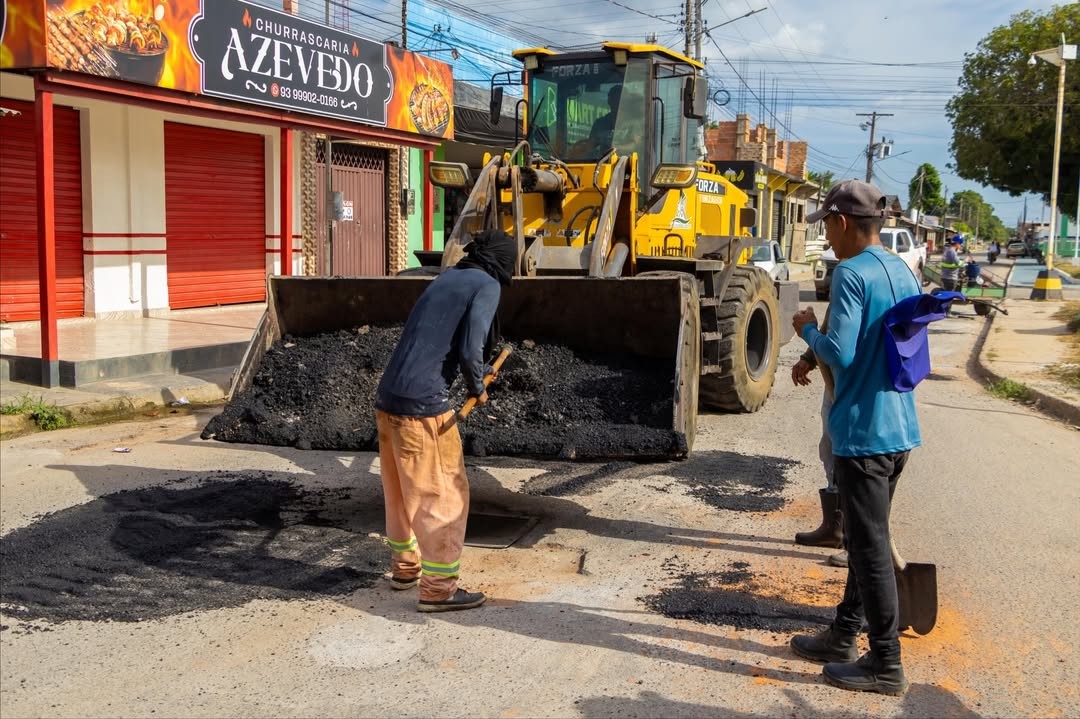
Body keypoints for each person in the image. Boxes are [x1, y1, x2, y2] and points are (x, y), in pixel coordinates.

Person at [789, 180, 922, 696]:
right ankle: (843, 636)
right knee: (868, 540)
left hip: (863, 435)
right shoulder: (900, 269)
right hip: (899, 428)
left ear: (842, 222)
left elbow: (840, 353)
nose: (826, 234)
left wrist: (806, 330)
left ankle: (886, 664)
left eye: (826, 224)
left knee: (869, 552)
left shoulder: (849, 273)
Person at [374, 229, 518, 613]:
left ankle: (405, 569)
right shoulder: (487, 285)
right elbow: (471, 347)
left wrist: (478, 373)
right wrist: (478, 386)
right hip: (423, 406)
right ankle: (438, 590)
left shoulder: (447, 277)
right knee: (443, 494)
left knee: (400, 492)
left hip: (388, 399)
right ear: (504, 260)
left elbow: (438, 340)